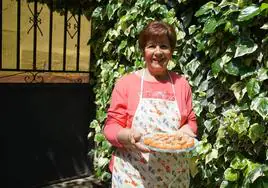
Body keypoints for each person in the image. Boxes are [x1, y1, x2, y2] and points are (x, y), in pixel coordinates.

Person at [103, 20, 197, 187]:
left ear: (172, 51)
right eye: (152, 46)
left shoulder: (181, 84)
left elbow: (191, 121)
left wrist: (186, 131)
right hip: (133, 175)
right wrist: (129, 136)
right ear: (143, 50)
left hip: (174, 176)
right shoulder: (126, 84)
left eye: (164, 46)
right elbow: (111, 128)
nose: (158, 52)